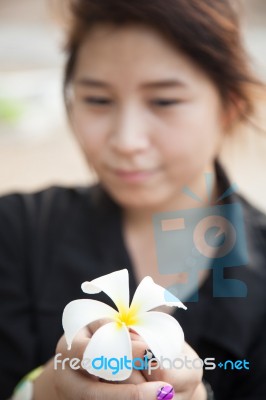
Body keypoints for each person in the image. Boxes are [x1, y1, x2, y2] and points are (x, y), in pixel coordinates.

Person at [1, 0, 266, 399]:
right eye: (98, 100)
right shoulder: (15, 230)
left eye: (164, 101)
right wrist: (40, 391)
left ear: (230, 105)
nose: (126, 141)